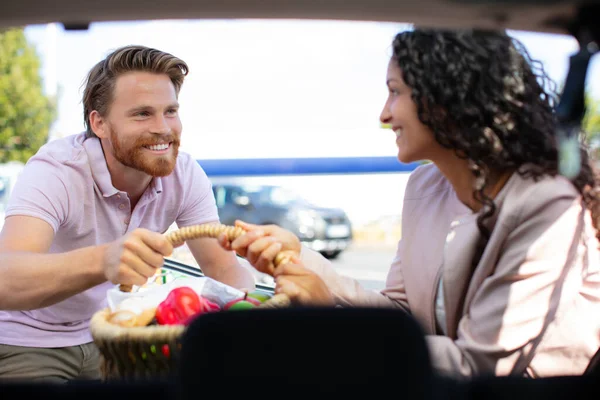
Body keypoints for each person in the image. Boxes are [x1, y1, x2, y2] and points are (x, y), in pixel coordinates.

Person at [218, 28, 600, 378]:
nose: (384, 115)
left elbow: (478, 364)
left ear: (446, 97)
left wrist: (333, 329)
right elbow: (404, 315)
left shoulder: (548, 204)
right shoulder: (425, 186)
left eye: (395, 91)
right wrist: (298, 257)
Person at [0, 45, 255, 382]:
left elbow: (224, 269)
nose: (163, 128)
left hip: (112, 334)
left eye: (170, 111)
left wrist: (261, 331)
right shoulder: (57, 170)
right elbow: (5, 279)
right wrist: (104, 260)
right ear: (99, 123)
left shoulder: (185, 173)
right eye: (142, 114)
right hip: (26, 339)